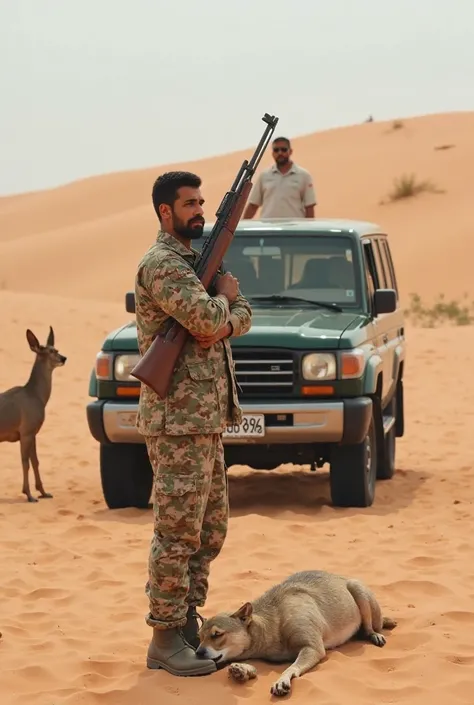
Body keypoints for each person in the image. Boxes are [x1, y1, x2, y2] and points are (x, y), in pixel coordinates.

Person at [134, 170, 252, 677]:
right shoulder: (162, 265)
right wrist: (219, 306)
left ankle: (186, 623)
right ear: (166, 212)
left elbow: (242, 313)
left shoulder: (201, 264)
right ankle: (163, 638)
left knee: (209, 530)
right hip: (177, 423)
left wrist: (222, 311)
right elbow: (207, 318)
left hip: (206, 421)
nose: (200, 210)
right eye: (189, 203)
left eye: (203, 201)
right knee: (177, 532)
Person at [243, 136, 317, 219]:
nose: (280, 153)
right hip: (268, 229)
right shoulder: (264, 176)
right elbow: (253, 205)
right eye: (276, 150)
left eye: (284, 149)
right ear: (272, 153)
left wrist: (308, 230)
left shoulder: (304, 176)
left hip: (295, 229)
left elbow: (309, 207)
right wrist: (239, 229)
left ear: (290, 151)